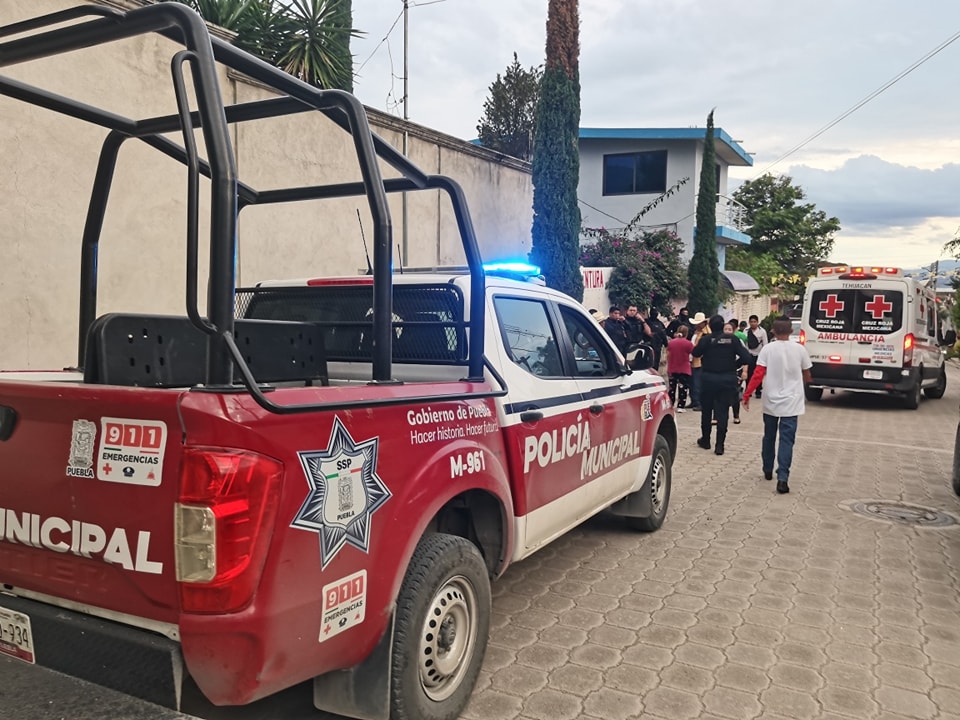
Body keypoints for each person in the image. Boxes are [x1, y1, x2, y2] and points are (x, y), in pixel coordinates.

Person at [743, 316, 813, 494]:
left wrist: (747, 394)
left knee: (769, 436)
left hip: (771, 401)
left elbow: (758, 374)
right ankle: (783, 477)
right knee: (787, 440)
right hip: (792, 402)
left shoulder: (767, 349)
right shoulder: (800, 350)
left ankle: (767, 468)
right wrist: (807, 386)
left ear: (773, 331)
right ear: (790, 331)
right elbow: (807, 374)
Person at [691, 314, 750, 455]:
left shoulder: (706, 339)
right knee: (723, 412)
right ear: (723, 325)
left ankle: (705, 440)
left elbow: (695, 353)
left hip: (708, 379)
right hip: (727, 380)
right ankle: (720, 446)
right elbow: (747, 357)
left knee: (707, 411)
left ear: (710, 326)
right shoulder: (733, 339)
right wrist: (733, 366)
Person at [666, 325, 694, 411]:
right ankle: (680, 406)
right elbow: (693, 352)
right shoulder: (688, 344)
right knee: (683, 388)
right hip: (684, 368)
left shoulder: (671, 343)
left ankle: (670, 404)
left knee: (672, 388)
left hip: (672, 367)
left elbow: (668, 354)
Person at [724, 321, 747, 424]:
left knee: (735, 394)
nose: (727, 331)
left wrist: (745, 371)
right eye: (726, 329)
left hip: (736, 370)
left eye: (730, 329)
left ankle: (736, 415)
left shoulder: (738, 341)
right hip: (723, 371)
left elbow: (745, 357)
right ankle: (716, 416)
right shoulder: (719, 341)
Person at [688, 312, 709, 410]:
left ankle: (699, 403)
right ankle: (694, 400)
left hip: (700, 360)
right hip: (693, 360)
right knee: (692, 382)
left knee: (698, 383)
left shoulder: (705, 334)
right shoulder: (696, 332)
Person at [745, 315, 768, 399]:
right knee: (749, 373)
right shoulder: (746, 331)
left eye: (755, 322)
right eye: (751, 322)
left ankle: (758, 391)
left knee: (758, 374)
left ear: (757, 322)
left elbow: (765, 344)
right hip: (749, 354)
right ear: (749, 322)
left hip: (759, 355)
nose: (753, 323)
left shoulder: (762, 332)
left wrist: (765, 356)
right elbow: (744, 343)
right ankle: (748, 390)